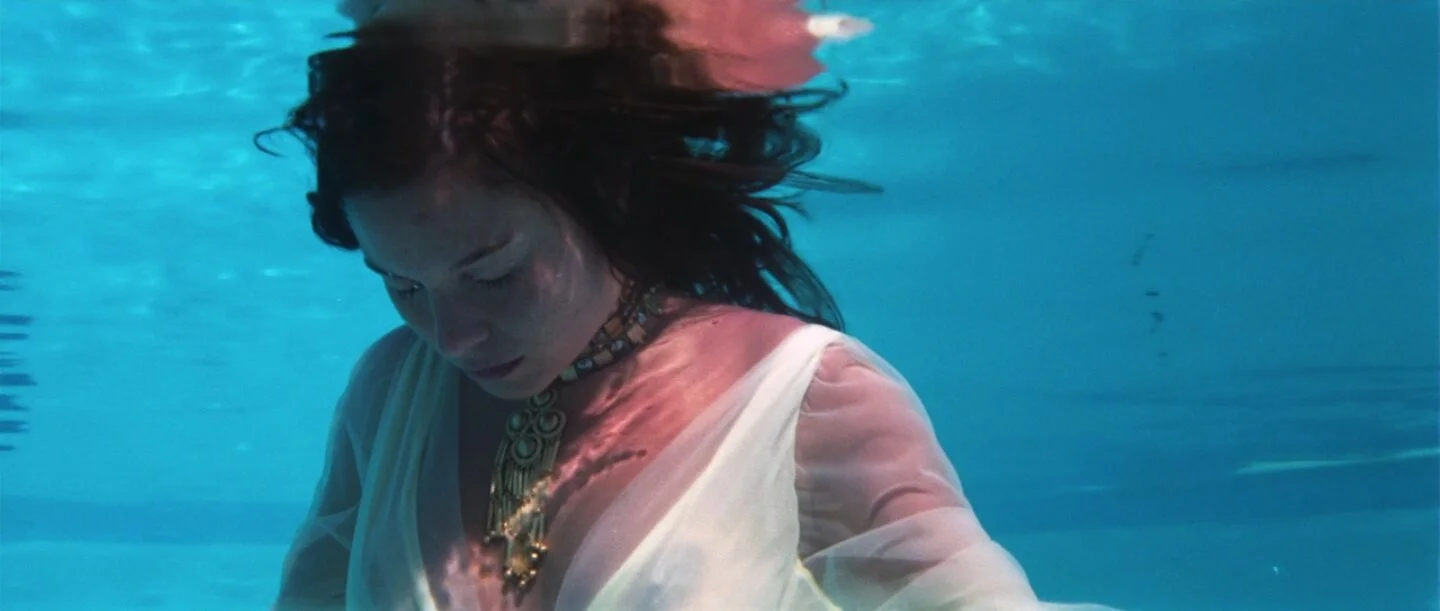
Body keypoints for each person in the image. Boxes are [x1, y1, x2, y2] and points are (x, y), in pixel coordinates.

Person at [266, 1, 1117, 609]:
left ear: (608, 192)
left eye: (493, 273)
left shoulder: (812, 400)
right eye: (402, 285)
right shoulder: (388, 390)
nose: (450, 335)